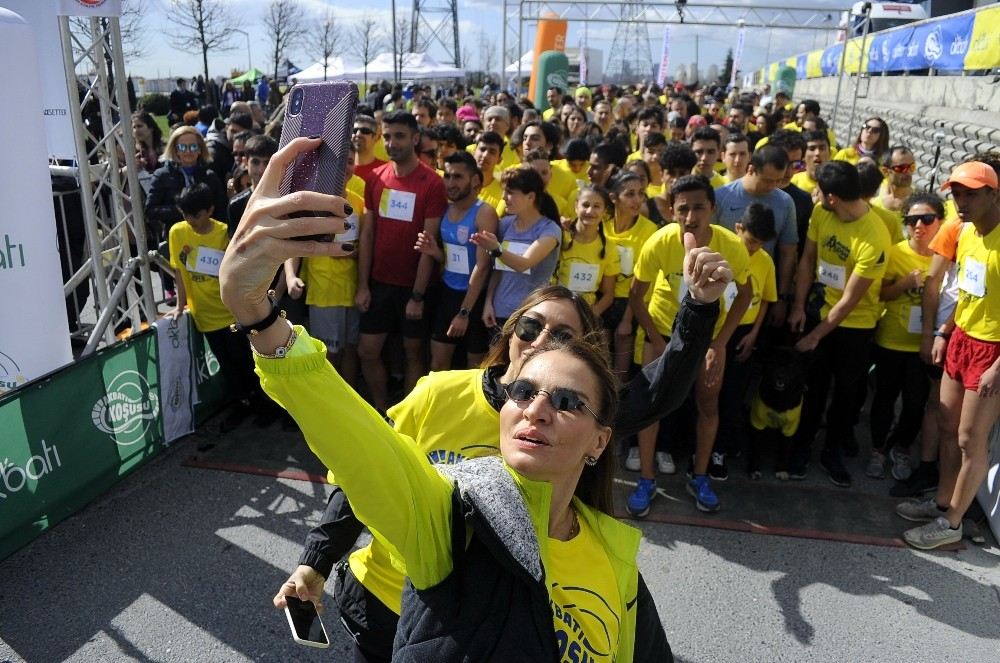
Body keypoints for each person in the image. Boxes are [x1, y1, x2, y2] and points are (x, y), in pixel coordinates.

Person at [226, 141, 732, 663]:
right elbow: (361, 456)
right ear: (509, 334)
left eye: (560, 343)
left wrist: (697, 309)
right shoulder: (439, 398)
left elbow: (655, 393)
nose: (538, 406)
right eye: (530, 328)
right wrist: (317, 558)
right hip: (380, 599)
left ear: (598, 439)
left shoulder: (609, 553)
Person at [627, 175, 752, 514]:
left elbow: (746, 293)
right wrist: (655, 339)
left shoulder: (730, 245)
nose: (691, 215)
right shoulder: (659, 242)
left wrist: (720, 344)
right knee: (648, 409)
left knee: (707, 405)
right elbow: (636, 296)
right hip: (662, 333)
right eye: (683, 208)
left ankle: (699, 476)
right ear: (671, 211)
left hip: (707, 339)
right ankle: (647, 479)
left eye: (699, 206)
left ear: (713, 208)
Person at [898, 162, 1000, 549]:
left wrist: (997, 367)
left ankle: (953, 522)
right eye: (957, 193)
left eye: (972, 193)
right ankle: (942, 500)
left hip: (992, 351)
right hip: (962, 339)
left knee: (970, 439)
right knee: (946, 423)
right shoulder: (964, 232)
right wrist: (945, 330)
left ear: (994, 193)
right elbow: (969, 292)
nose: (961, 201)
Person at [788, 161, 892, 487]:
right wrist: (799, 306)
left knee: (846, 393)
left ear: (833, 197)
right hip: (819, 309)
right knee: (812, 387)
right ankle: (801, 446)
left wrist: (815, 337)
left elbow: (850, 300)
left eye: (819, 191)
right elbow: (807, 259)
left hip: (855, 326)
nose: (815, 195)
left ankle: (831, 451)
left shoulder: (874, 236)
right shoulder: (822, 214)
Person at [355, 111, 448, 413]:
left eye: (401, 136)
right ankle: (382, 411)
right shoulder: (376, 178)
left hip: (415, 288)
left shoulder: (432, 184)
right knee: (367, 351)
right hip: (379, 285)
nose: (393, 142)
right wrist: (363, 285)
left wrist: (418, 295)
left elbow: (427, 242)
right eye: (389, 136)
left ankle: (405, 417)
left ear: (415, 138)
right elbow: (368, 234)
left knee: (413, 352)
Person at [167, 184, 256, 432]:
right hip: (204, 317)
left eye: (195, 215)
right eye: (185, 214)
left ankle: (262, 405)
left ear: (210, 210)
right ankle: (241, 405)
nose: (190, 220)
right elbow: (179, 272)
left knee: (247, 363)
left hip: (232, 315)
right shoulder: (177, 233)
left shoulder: (225, 233)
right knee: (227, 366)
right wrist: (179, 305)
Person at [867, 193, 943, 480]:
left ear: (939, 222)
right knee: (885, 398)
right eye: (912, 220)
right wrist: (904, 283)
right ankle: (876, 449)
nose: (919, 226)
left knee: (915, 403)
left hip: (923, 345)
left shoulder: (944, 256)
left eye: (927, 219)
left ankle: (900, 447)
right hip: (891, 340)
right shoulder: (896, 252)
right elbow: (881, 294)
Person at [414, 151, 499, 371]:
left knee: (475, 369)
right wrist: (435, 253)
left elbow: (482, 266)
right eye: (448, 176)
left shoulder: (484, 213)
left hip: (474, 299)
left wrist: (464, 313)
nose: (450, 183)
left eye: (458, 177)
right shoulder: (446, 209)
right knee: (438, 364)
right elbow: (452, 259)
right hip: (447, 293)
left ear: (475, 180)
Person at [477, 168, 562, 329]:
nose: (504, 197)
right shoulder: (505, 225)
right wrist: (488, 302)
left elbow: (524, 263)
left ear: (530, 196)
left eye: (510, 192)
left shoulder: (549, 230)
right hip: (498, 314)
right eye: (504, 191)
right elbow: (498, 269)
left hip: (531, 315)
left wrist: (496, 249)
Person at [604, 172, 658, 375]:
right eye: (630, 194)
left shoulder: (649, 230)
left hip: (630, 304)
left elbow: (642, 276)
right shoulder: (602, 224)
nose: (637, 200)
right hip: (601, 301)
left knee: (620, 370)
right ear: (613, 197)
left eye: (641, 194)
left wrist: (627, 319)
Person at [555, 186, 620, 316]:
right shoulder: (560, 236)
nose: (590, 211)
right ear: (576, 206)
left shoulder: (609, 248)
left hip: (585, 314)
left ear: (604, 211)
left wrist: (588, 317)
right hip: (554, 308)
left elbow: (608, 294)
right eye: (585, 205)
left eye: (596, 206)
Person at [352, 115, 386, 183]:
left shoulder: (385, 171)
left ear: (376, 137)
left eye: (365, 131)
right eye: (354, 131)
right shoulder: (342, 169)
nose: (358, 134)